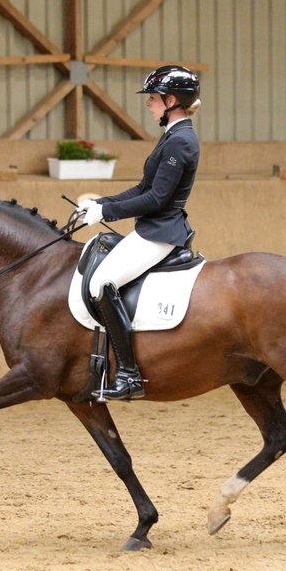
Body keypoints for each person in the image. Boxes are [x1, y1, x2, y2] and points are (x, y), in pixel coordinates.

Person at [74, 65, 201, 400]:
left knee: (103, 283)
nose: (148, 104)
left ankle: (129, 375)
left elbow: (156, 199)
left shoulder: (181, 142)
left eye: (153, 98)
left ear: (171, 100)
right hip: (153, 228)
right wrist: (100, 203)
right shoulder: (172, 137)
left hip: (161, 232)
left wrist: (107, 212)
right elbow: (142, 187)